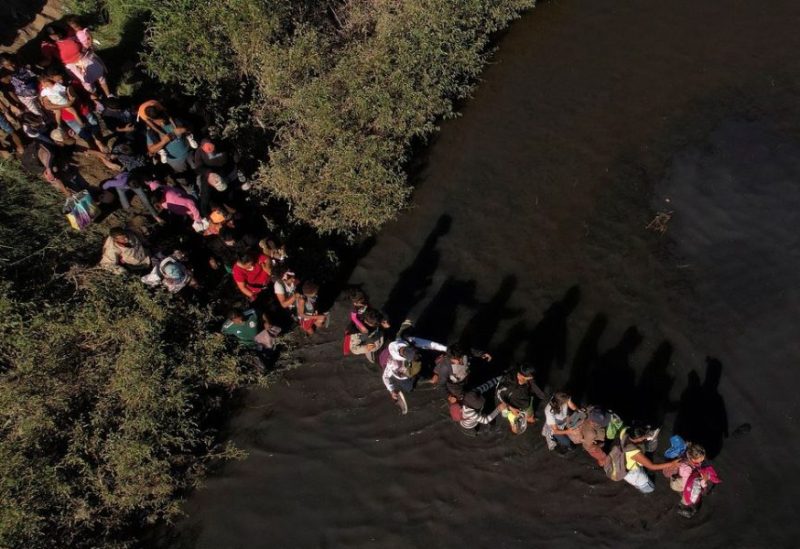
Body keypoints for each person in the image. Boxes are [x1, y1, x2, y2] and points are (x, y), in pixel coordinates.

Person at [382, 333, 447, 403]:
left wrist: (446, 349)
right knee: (410, 388)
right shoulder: (393, 364)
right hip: (404, 376)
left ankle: (431, 363)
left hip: (411, 366)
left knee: (426, 360)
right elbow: (385, 377)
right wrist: (391, 390)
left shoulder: (409, 341)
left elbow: (430, 344)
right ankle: (427, 379)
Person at [662, 441, 721, 518]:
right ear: (692, 458)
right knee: (688, 497)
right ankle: (683, 507)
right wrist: (703, 482)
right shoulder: (687, 469)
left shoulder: (687, 453)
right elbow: (687, 486)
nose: (701, 462)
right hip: (679, 483)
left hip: (679, 477)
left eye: (702, 460)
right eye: (699, 461)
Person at [618, 425, 678, 494]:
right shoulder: (632, 452)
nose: (644, 438)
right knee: (650, 488)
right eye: (642, 437)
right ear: (638, 439)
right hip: (633, 474)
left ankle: (638, 482)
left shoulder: (625, 432)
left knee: (641, 465)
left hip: (626, 463)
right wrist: (672, 463)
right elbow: (652, 466)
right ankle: (641, 486)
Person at [142, 103, 195, 174]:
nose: (161, 122)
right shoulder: (151, 132)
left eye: (161, 117)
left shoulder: (174, 120)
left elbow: (191, 127)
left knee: (199, 170)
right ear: (151, 119)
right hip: (175, 161)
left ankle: (190, 138)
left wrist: (184, 130)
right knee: (186, 175)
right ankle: (162, 152)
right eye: (157, 120)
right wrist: (163, 142)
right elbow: (151, 150)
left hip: (189, 152)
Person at [496, 363, 547, 434]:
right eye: (530, 377)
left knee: (530, 415)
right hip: (517, 405)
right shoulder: (508, 382)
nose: (532, 377)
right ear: (522, 375)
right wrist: (511, 407)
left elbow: (501, 407)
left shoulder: (507, 415)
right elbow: (499, 395)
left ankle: (530, 417)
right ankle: (531, 418)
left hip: (525, 401)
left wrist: (542, 396)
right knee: (530, 417)